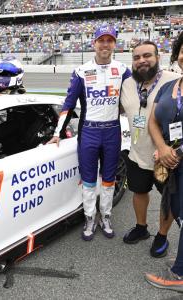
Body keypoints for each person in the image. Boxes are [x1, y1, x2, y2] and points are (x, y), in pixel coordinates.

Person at [48, 25, 131, 241]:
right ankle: (89, 217)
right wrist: (58, 133)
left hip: (113, 131)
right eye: (101, 40)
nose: (105, 44)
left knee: (109, 179)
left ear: (114, 44)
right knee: (88, 180)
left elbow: (133, 99)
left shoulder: (123, 70)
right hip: (89, 132)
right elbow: (68, 104)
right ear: (93, 43)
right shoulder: (81, 71)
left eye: (109, 40)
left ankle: (106, 216)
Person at [121, 41, 180, 257]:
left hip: (165, 157)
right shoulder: (127, 84)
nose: (142, 61)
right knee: (139, 191)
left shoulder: (173, 81)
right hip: (137, 155)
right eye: (136, 58)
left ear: (158, 58)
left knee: (168, 199)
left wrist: (168, 148)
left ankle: (162, 235)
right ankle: (141, 227)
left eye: (147, 55)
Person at [145, 32, 183, 291]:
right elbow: (152, 121)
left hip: (177, 159)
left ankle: (179, 276)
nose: (182, 56)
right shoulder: (172, 86)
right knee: (177, 210)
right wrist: (161, 147)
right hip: (171, 163)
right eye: (181, 51)